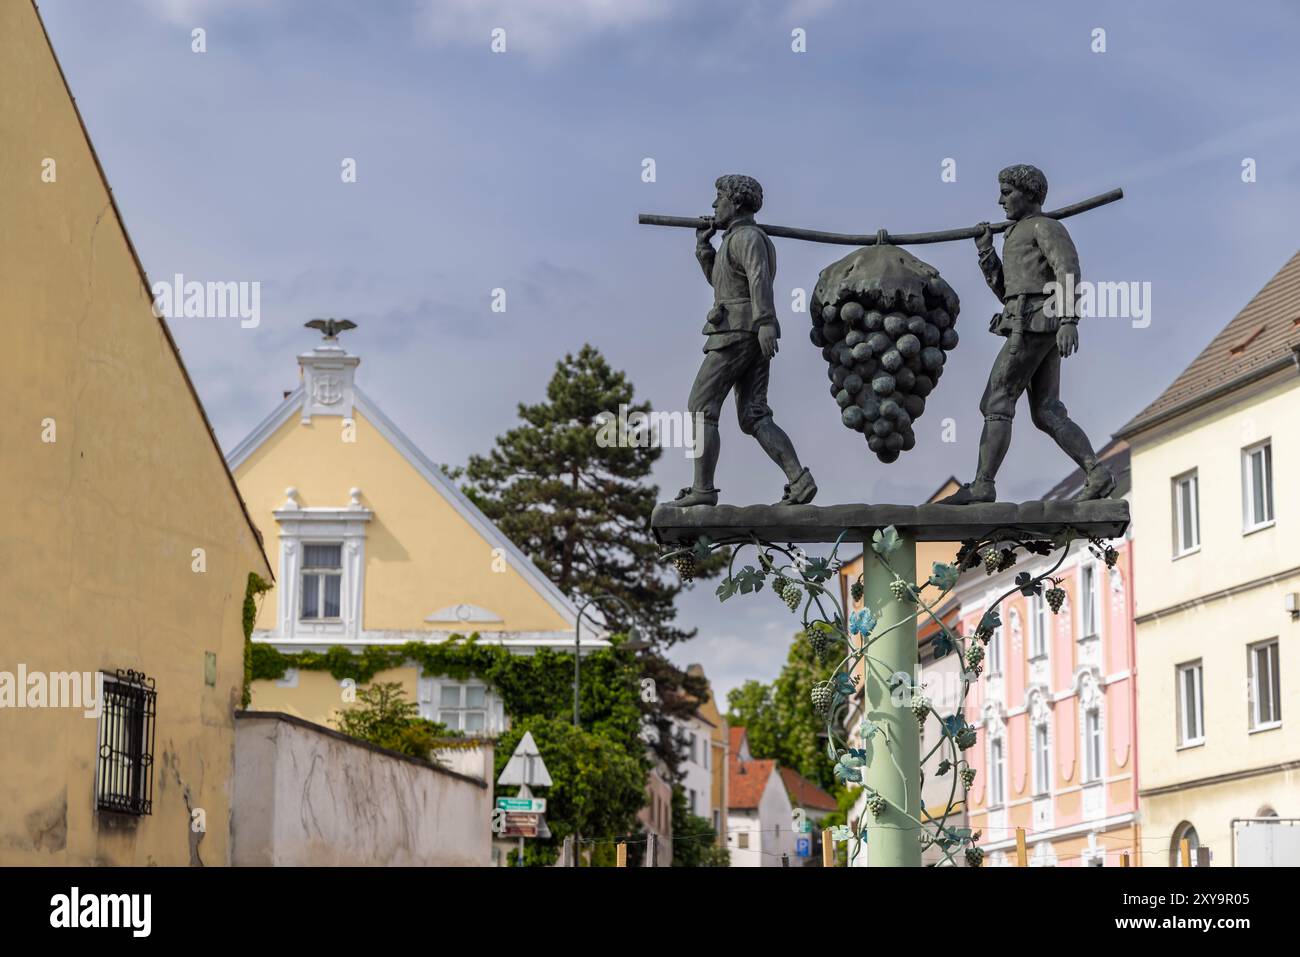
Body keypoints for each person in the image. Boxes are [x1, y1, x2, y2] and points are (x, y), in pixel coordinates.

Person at [941, 164, 1114, 505]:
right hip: (1028, 319)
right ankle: (1096, 472)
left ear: (1029, 193)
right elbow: (1008, 289)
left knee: (996, 400)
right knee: (1047, 411)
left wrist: (1068, 320)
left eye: (1007, 193)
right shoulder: (1016, 234)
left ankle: (983, 484)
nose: (1000, 200)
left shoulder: (1045, 227)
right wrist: (985, 251)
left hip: (1035, 323)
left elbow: (1067, 268)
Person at [672, 174, 816, 507]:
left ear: (735, 202)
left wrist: (766, 321)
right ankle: (799, 480)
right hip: (746, 330)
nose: (713, 204)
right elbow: (723, 284)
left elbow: (759, 280)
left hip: (737, 332)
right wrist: (703, 249)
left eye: (719, 196)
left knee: (700, 407)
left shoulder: (748, 237)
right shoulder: (734, 240)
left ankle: (703, 491)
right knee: (753, 415)